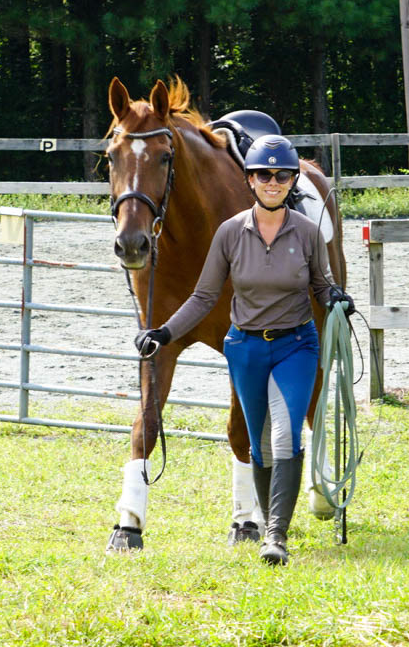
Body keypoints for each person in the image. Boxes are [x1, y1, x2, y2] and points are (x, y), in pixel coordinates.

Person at [135, 135, 353, 565]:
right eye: (263, 175)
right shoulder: (230, 233)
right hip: (246, 348)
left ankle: (276, 536)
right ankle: (264, 519)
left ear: (291, 181)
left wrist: (336, 300)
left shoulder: (307, 232)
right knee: (258, 442)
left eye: (281, 175)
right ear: (249, 180)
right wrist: (163, 332)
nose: (272, 182)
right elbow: (203, 297)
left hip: (295, 345)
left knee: (286, 434)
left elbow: (322, 283)